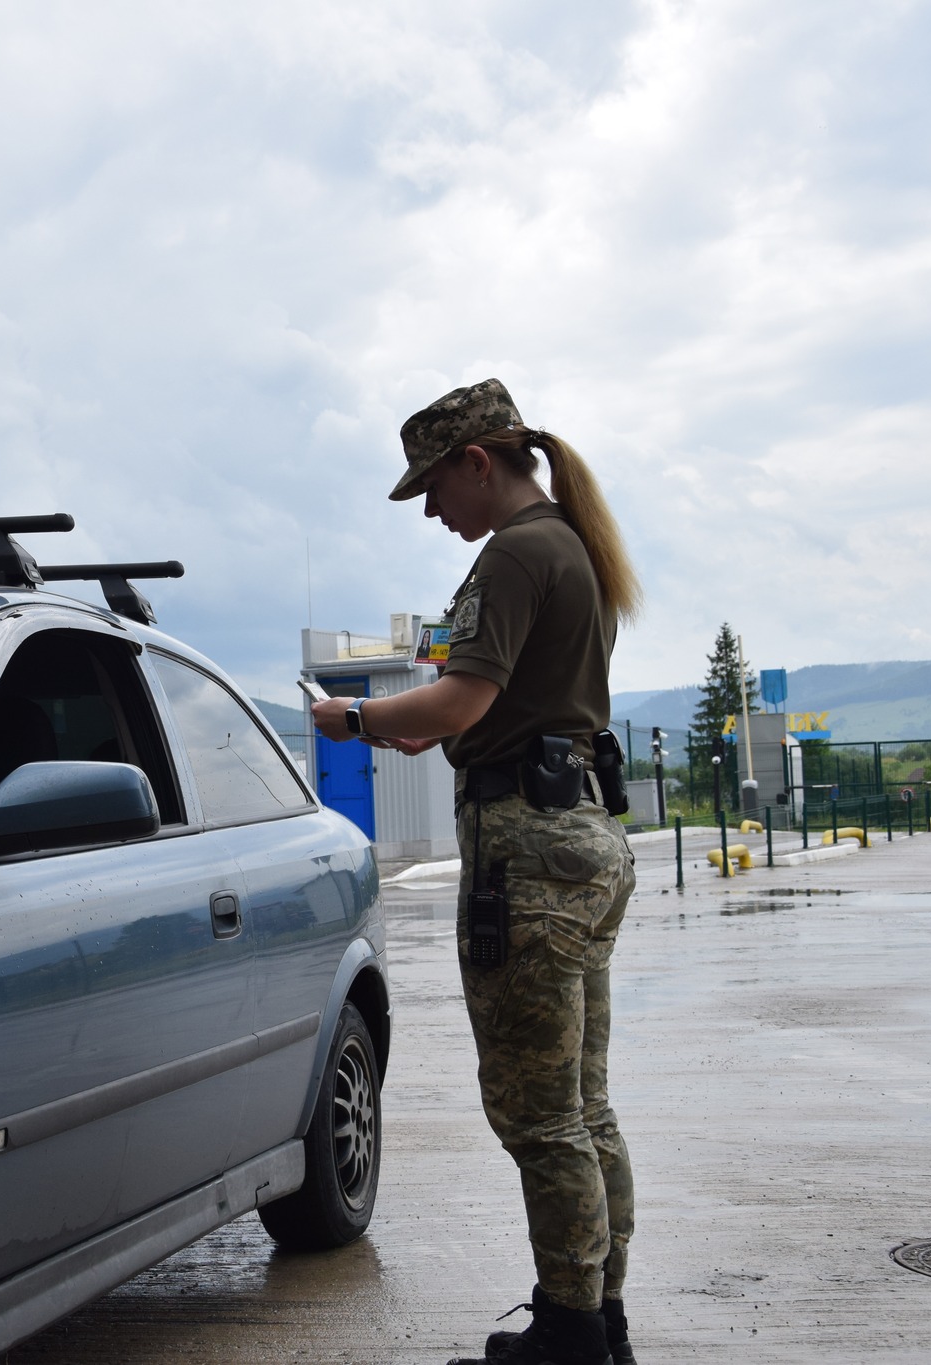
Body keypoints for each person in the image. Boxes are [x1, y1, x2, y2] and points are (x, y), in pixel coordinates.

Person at [312, 379, 640, 1365]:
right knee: (581, 1107)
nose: (429, 512)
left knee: (536, 1113)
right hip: (580, 834)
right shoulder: (569, 548)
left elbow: (457, 699)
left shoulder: (513, 555)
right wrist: (450, 728)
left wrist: (358, 719)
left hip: (526, 852)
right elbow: (487, 707)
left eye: (430, 487)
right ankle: (596, 1318)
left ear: (476, 463)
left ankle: (569, 1334)